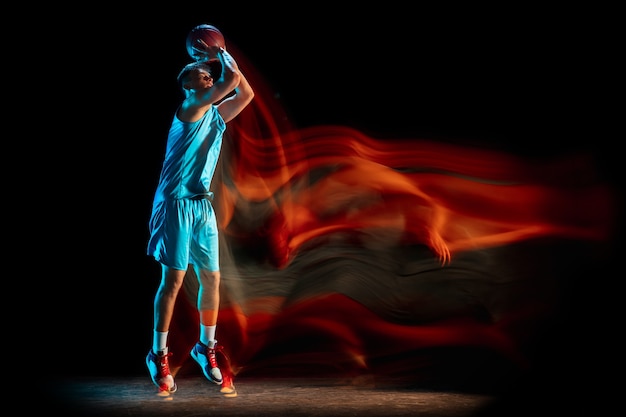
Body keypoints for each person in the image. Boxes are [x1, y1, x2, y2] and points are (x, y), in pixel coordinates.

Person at [145, 40, 254, 395]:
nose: (210, 78)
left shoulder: (214, 116)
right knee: (174, 280)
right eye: (204, 76)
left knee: (212, 278)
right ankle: (157, 353)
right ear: (189, 85)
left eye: (209, 75)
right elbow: (230, 81)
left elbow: (244, 93)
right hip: (175, 203)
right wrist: (217, 54)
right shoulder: (190, 108)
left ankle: (205, 346)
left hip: (201, 205)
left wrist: (222, 54)